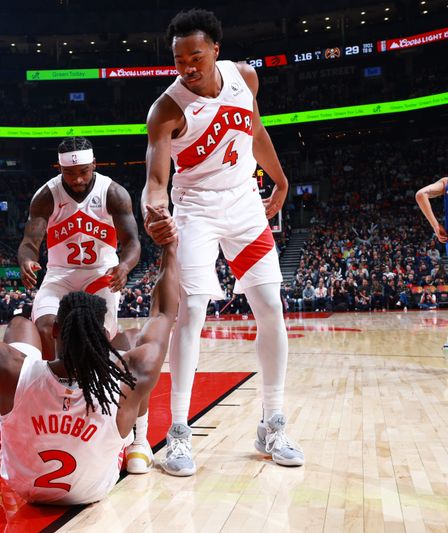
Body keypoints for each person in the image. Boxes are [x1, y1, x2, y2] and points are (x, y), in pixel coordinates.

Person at [141, 9, 304, 476]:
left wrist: (280, 179)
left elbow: (254, 132)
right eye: (178, 59)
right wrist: (156, 210)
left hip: (245, 206)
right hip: (195, 212)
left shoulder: (245, 79)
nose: (187, 66)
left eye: (195, 56)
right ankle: (177, 433)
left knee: (270, 306)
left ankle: (272, 423)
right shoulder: (167, 109)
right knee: (190, 312)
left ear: (215, 49)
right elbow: (155, 179)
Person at [0, 211, 177, 504]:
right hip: (93, 491)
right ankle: (137, 444)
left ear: (54, 330)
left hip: (24, 486)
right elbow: (165, 313)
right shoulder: (128, 377)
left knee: (19, 326)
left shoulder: (11, 371)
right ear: (102, 335)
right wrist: (169, 246)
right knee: (127, 342)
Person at [18, 136, 141, 360]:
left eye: (83, 171)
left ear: (94, 164)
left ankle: (94, 388)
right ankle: (53, 383)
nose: (77, 179)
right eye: (69, 173)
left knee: (98, 334)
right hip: (60, 274)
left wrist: (124, 266)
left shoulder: (113, 193)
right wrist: (26, 260)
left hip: (102, 273)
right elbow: (29, 243)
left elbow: (132, 242)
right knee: (46, 328)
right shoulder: (46, 196)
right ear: (60, 168)